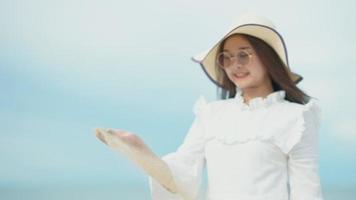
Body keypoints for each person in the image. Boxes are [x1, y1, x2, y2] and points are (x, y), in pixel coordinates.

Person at [94, 14, 324, 200]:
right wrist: (140, 152)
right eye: (227, 58)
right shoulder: (211, 115)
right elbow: (181, 174)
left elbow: (307, 192)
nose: (235, 65)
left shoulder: (297, 118)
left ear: (267, 57)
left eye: (244, 55)